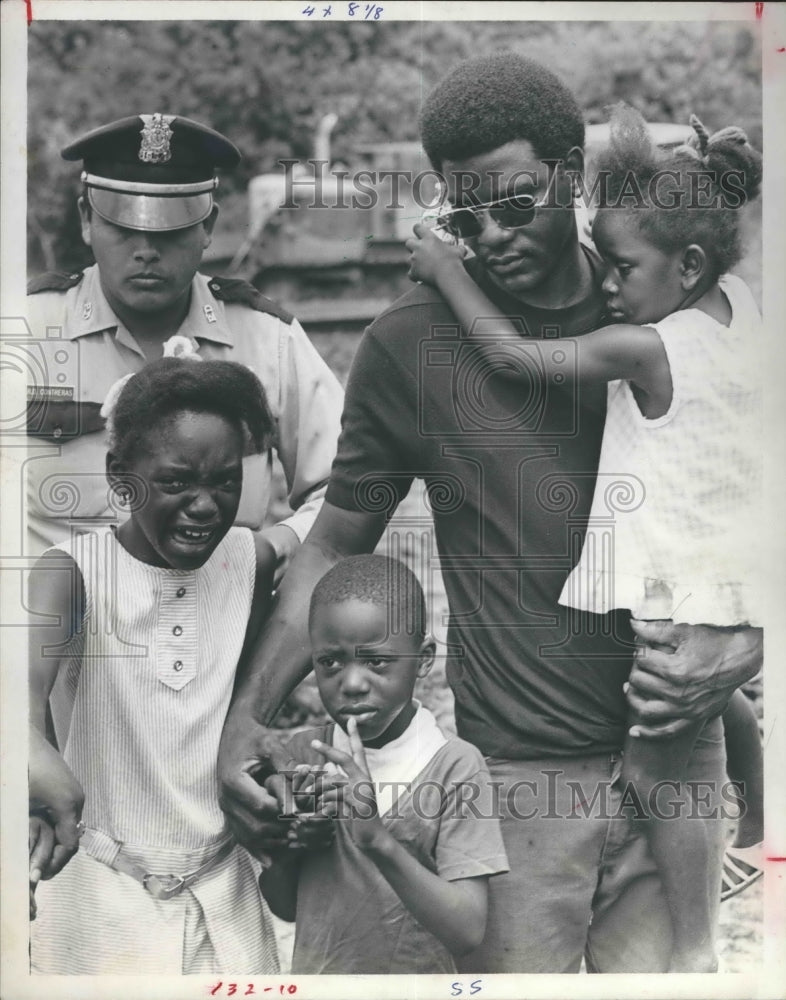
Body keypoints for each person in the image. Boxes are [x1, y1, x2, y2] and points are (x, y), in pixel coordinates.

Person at [199, 57, 762, 973]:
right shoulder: (410, 345)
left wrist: (750, 645)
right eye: (467, 215)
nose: (494, 234)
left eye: (517, 202)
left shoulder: (675, 318)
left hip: (675, 754)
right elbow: (336, 540)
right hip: (520, 781)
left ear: (572, 176)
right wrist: (245, 722)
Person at [405, 104, 764, 971]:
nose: (607, 281)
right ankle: (752, 822)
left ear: (686, 264)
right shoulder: (743, 311)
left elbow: (517, 361)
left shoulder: (648, 346)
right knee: (715, 719)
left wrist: (446, 271)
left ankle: (696, 945)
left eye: (625, 267)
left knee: (657, 769)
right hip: (723, 579)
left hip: (673, 591)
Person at [28, 354, 282, 974]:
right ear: (121, 478)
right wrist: (33, 752)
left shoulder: (250, 562)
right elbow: (15, 685)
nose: (205, 505)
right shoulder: (72, 573)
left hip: (225, 904)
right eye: (176, 482)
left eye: (225, 481)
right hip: (95, 905)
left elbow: (331, 530)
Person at [25, 113, 343, 570]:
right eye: (124, 227)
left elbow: (344, 485)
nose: (146, 250)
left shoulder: (268, 340)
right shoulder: (25, 330)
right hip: (63, 623)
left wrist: (277, 545)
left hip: (222, 621)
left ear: (207, 227)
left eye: (169, 230)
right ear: (87, 221)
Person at [258, 554, 509, 973]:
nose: (352, 684)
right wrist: (293, 844)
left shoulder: (454, 767)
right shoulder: (306, 757)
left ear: (424, 659)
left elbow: (467, 931)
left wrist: (378, 841)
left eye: (376, 661)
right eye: (330, 663)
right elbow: (285, 907)